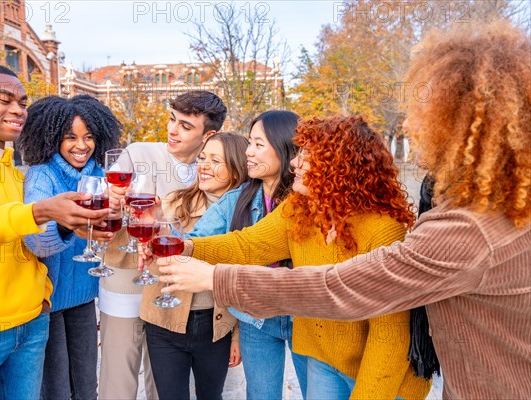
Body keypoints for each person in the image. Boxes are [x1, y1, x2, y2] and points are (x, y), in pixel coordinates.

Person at [158, 21, 531, 399]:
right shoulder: (484, 205)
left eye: (422, 112)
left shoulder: (465, 228)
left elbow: (343, 288)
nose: (407, 123)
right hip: (340, 363)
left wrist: (216, 279)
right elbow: (248, 245)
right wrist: (187, 248)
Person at [153, 115, 432, 399]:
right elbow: (248, 244)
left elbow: (390, 337)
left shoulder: (382, 228)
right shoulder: (300, 208)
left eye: (307, 156)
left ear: (339, 167)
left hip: (379, 373)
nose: (294, 163)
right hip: (323, 360)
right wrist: (185, 247)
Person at [0, 63, 109, 399]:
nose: (17, 110)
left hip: (29, 324)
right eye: (5, 99)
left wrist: (42, 293)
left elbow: (30, 242)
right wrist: (41, 211)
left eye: (23, 103)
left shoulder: (14, 171)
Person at [98, 90, 227, 399]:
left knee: (164, 378)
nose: (172, 130)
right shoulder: (137, 152)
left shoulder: (210, 168)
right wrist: (111, 201)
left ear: (208, 134)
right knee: (119, 371)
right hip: (126, 275)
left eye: (185, 126)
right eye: (172, 120)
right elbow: (105, 210)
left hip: (173, 284)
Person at [180, 110, 309, 399]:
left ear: (286, 147)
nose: (248, 152)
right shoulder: (238, 198)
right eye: (249, 143)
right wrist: (164, 240)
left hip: (306, 317)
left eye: (259, 144)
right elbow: (199, 240)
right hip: (257, 318)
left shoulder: (308, 199)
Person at [17, 95, 122, 399]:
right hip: (48, 303)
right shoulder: (42, 175)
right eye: (71, 137)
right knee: (56, 389)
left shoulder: (99, 175)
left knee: (87, 384)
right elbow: (35, 240)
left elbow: (107, 228)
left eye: (89, 137)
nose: (82, 145)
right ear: (52, 138)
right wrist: (66, 224)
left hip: (83, 297)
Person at [140, 132, 248, 400]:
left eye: (215, 160)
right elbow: (144, 257)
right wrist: (146, 238)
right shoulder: (175, 202)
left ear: (236, 170)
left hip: (216, 328)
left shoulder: (248, 216)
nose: (203, 166)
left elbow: (247, 280)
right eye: (202, 158)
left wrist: (237, 337)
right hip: (165, 323)